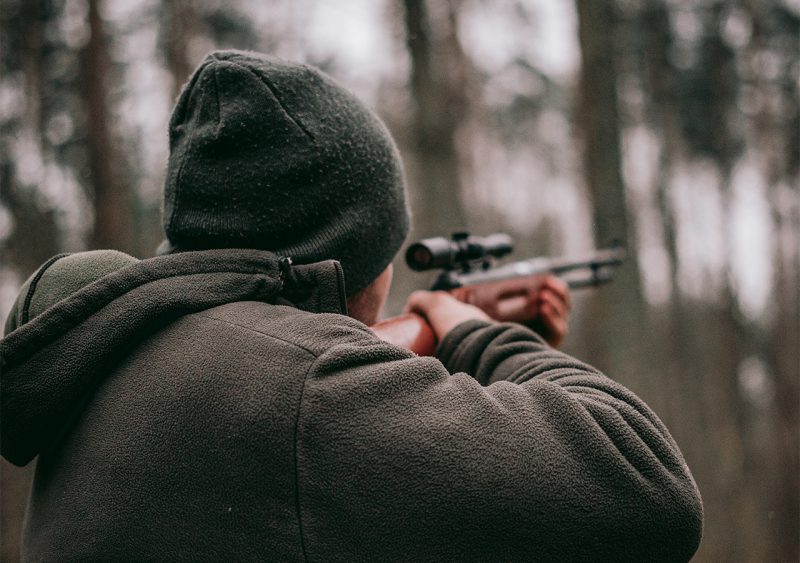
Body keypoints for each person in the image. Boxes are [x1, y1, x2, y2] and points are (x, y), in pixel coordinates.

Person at [0, 50, 702, 562]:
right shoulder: (301, 384)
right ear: (347, 260)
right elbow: (648, 490)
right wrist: (484, 338)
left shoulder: (112, 353)